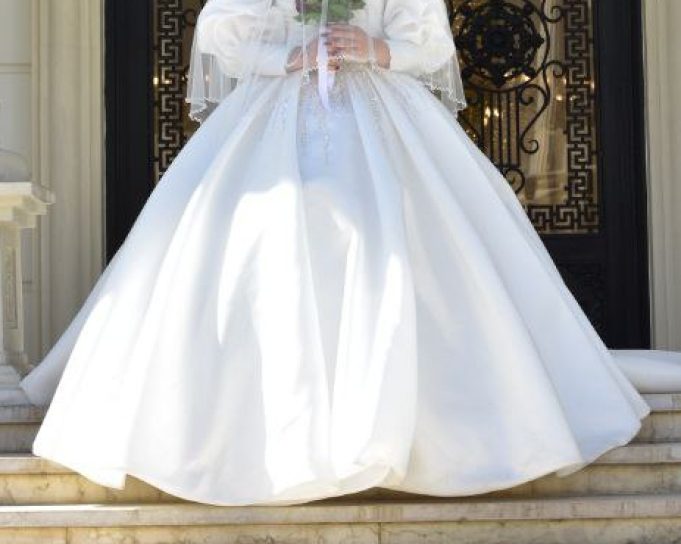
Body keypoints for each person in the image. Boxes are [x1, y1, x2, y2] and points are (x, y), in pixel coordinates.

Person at [18, 0, 680, 507]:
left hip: (381, 109)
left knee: (394, 246)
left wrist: (376, 48)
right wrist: (288, 56)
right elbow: (221, 33)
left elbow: (430, 41)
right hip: (275, 112)